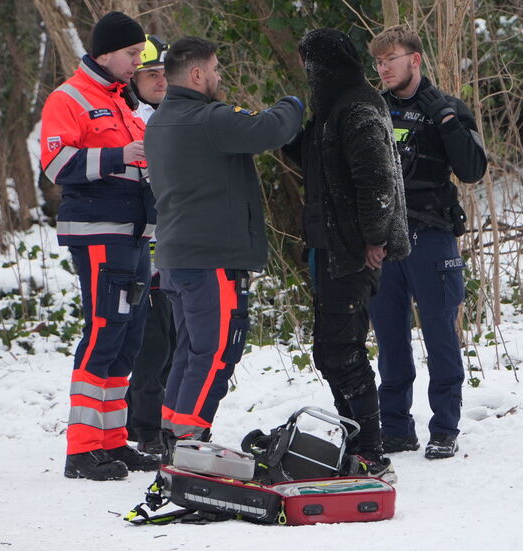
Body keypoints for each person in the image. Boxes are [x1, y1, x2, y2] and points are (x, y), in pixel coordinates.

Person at [144, 37, 303, 450]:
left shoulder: (159, 121)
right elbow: (272, 128)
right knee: (215, 354)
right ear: (196, 74)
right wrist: (295, 100)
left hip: (177, 260)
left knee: (190, 352)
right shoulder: (208, 119)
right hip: (210, 261)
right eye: (215, 69)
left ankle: (172, 433)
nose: (218, 77)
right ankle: (188, 440)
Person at [283, 28, 410, 483]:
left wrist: (374, 239)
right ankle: (356, 439)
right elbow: (315, 160)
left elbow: (375, 182)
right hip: (327, 248)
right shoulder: (331, 110)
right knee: (329, 350)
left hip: (353, 251)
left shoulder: (356, 105)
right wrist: (282, 126)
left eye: (311, 66)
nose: (308, 74)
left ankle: (371, 450)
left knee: (343, 350)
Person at [39, 11, 159, 481]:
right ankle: (82, 449)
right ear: (106, 52)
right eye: (132, 54)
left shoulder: (121, 103)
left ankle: (112, 441)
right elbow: (55, 164)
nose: (137, 63)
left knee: (127, 339)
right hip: (97, 233)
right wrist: (117, 155)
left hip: (133, 235)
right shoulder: (68, 98)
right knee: (104, 332)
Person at [366, 25, 487, 459]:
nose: (382, 69)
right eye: (378, 62)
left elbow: (473, 170)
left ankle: (445, 427)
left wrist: (448, 122)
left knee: (440, 334)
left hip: (431, 236)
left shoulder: (448, 109)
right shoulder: (372, 110)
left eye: (390, 60)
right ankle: (396, 428)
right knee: (390, 339)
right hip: (382, 241)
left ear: (414, 60)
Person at [125, 34, 175, 455]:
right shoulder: (133, 120)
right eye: (150, 75)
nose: (160, 81)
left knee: (176, 342)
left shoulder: (176, 114)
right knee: (151, 346)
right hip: (144, 250)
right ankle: (144, 427)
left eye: (164, 73)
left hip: (179, 249)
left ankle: (160, 421)